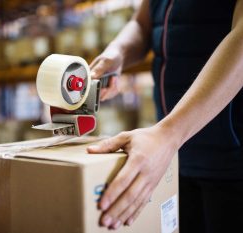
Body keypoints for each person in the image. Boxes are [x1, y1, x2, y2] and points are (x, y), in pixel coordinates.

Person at [86, 0, 243, 232]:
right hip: (176, 162)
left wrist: (169, 134)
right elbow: (142, 24)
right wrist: (118, 51)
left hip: (232, 165)